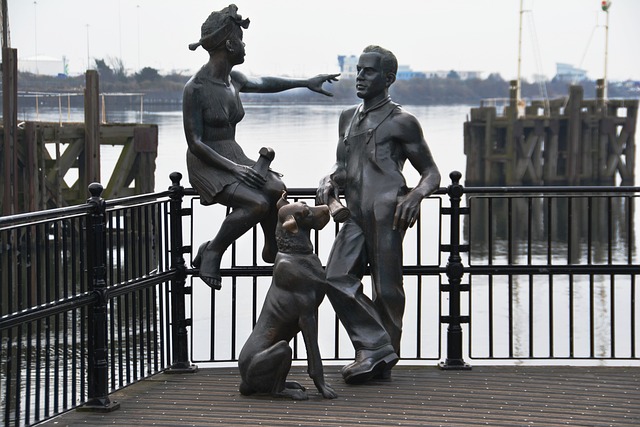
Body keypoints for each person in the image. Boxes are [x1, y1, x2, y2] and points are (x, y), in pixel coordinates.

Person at [183, 4, 339, 290]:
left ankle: (272, 246)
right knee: (256, 204)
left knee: (275, 187)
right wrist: (236, 169)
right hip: (208, 161)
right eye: (241, 40)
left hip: (234, 154)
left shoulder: (234, 80)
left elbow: (266, 82)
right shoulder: (195, 88)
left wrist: (306, 82)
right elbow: (195, 143)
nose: (244, 46)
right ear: (229, 44)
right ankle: (213, 251)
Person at [316, 45, 441, 383]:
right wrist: (329, 179)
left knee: (387, 289)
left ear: (388, 78)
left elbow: (431, 172)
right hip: (354, 212)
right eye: (358, 70)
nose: (360, 77)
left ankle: (378, 359)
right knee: (335, 278)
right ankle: (377, 346)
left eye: (368, 72)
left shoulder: (402, 122)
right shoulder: (347, 117)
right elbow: (343, 167)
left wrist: (416, 195)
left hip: (388, 211)